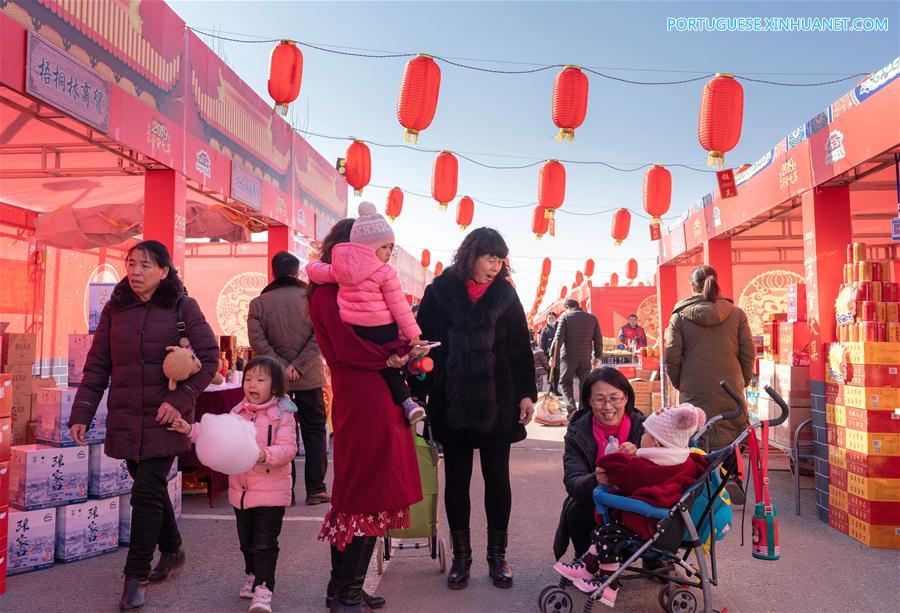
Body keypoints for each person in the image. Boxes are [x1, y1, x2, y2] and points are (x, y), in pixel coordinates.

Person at [69, 240, 219, 612]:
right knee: (147, 488)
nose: (136, 271)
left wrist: (178, 401)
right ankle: (173, 550)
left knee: (146, 492)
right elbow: (98, 365)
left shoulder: (184, 307)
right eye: (132, 263)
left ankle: (134, 577)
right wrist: (82, 412)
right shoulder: (115, 309)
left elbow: (210, 358)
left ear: (165, 271)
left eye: (146, 266)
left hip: (166, 418)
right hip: (126, 416)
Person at [412, 228, 536, 590]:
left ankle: (497, 557)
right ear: (471, 255)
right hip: (453, 401)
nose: (496, 267)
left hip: (498, 399)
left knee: (498, 479)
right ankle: (462, 559)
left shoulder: (506, 296)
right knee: (458, 481)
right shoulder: (439, 292)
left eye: (500, 260)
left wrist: (526, 394)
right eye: (490, 258)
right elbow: (423, 345)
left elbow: (519, 347)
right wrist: (420, 392)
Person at [308, 219, 422, 612]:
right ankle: (347, 594)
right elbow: (346, 349)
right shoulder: (327, 293)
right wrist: (396, 353)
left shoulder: (351, 289)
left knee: (362, 495)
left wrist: (402, 354)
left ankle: (342, 587)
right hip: (362, 399)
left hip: (375, 396)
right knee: (364, 495)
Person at [168, 356, 297, 613]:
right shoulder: (237, 411)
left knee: (265, 542)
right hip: (241, 492)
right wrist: (188, 429)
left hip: (271, 492)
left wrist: (262, 455)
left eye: (260, 380)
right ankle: (252, 574)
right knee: (246, 541)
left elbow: (289, 449)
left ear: (275, 386)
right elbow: (215, 437)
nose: (252, 384)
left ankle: (263, 589)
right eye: (249, 379)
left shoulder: (283, 414)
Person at [553, 404, 708, 605]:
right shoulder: (682, 462)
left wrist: (619, 456)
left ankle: (608, 585)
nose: (641, 437)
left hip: (648, 525)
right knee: (607, 532)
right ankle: (587, 566)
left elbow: (618, 471)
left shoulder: (648, 468)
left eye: (645, 433)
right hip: (663, 524)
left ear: (657, 444)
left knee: (606, 534)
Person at [307, 202, 426, 425]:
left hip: (359, 391)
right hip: (367, 393)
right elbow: (351, 348)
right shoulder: (328, 295)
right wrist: (395, 355)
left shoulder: (331, 286)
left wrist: (402, 348)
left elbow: (314, 269)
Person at [248, 251, 330, 506]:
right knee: (314, 431)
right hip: (309, 377)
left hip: (276, 379)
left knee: (280, 432)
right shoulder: (311, 300)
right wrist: (298, 365)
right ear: (296, 272)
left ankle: (285, 491)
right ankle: (316, 489)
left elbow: (257, 341)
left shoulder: (259, 303)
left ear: (274, 273)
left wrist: (281, 367)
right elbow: (320, 336)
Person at [553, 367, 645, 561]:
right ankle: (586, 557)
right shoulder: (578, 433)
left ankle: (653, 557)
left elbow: (668, 463)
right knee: (577, 509)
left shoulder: (645, 428)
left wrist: (642, 453)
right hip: (596, 501)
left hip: (636, 499)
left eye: (615, 398)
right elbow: (573, 481)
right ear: (589, 401)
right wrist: (596, 479)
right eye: (600, 399)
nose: (608, 406)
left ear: (626, 398)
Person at [664, 265, 755, 449]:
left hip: (693, 388)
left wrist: (680, 383)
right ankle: (728, 474)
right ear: (716, 284)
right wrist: (742, 381)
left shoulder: (679, 317)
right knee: (730, 435)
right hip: (730, 387)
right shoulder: (736, 314)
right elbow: (748, 353)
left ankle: (704, 476)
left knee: (697, 435)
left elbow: (672, 357)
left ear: (692, 286)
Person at [552, 299, 603, 414]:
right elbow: (598, 339)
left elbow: (558, 339)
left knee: (565, 382)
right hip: (585, 357)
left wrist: (552, 356)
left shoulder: (565, 318)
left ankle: (571, 407)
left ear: (567, 307)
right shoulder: (592, 318)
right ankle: (582, 409)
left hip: (568, 358)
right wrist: (598, 356)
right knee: (585, 383)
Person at [540, 312, 560, 394]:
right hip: (548, 356)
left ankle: (556, 389)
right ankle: (550, 389)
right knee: (549, 373)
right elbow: (542, 344)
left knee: (557, 373)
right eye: (549, 318)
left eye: (552, 318)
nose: (551, 320)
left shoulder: (559, 328)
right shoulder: (544, 330)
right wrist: (543, 356)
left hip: (558, 355)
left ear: (556, 318)